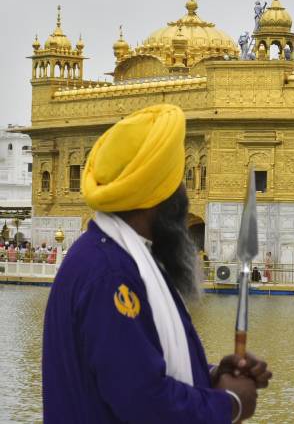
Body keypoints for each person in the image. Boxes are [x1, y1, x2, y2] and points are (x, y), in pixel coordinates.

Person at [43, 104, 272, 423]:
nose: (184, 195)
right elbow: (143, 401)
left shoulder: (119, 257)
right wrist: (229, 402)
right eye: (178, 182)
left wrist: (214, 376)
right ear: (160, 196)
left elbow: (137, 365)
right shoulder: (111, 274)